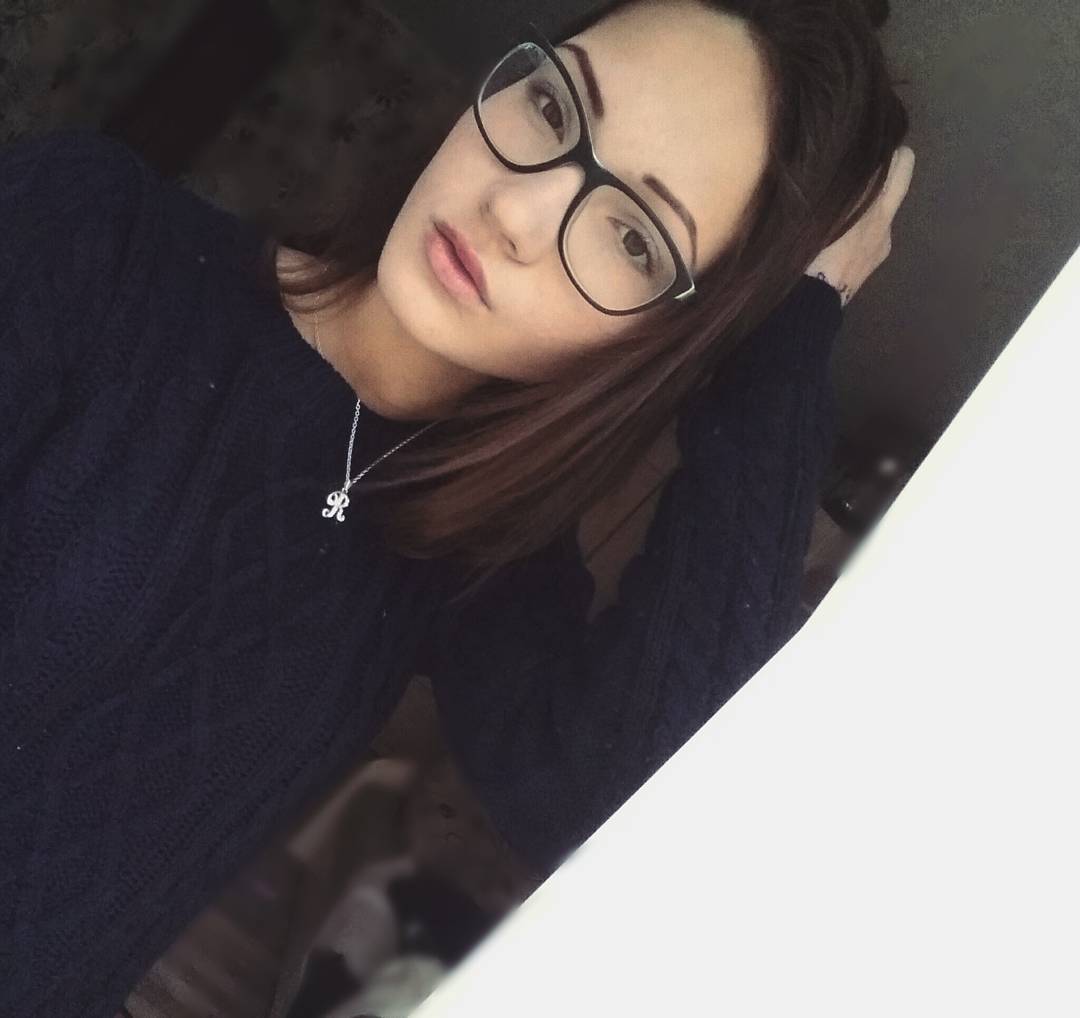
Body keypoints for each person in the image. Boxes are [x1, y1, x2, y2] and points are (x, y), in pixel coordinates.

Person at [0, 0, 914, 1014]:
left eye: (634, 237)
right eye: (553, 106)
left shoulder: (475, 557)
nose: (517, 211)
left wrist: (789, 335)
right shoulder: (91, 238)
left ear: (664, 341)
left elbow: (622, 802)